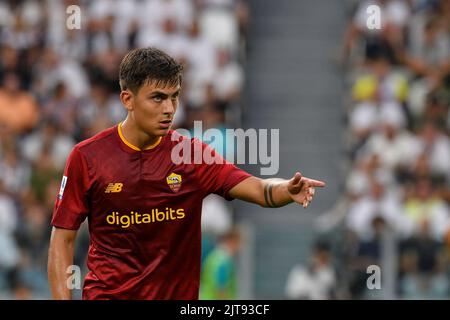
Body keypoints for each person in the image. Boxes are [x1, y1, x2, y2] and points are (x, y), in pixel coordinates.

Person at [47, 47, 325, 300]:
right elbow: (63, 240)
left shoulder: (193, 156)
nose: (169, 109)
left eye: (174, 97)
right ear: (127, 99)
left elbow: (257, 188)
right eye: (157, 98)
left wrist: (285, 189)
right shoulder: (87, 157)